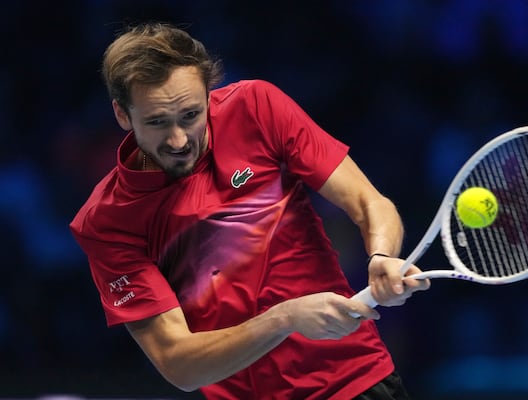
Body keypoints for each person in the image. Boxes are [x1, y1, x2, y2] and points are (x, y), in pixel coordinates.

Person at [69, 22, 430, 399]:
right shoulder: (107, 221)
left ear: (208, 94)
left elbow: (369, 201)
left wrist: (381, 255)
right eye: (157, 122)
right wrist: (285, 318)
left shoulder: (256, 108)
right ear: (122, 115)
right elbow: (178, 363)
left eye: (191, 115)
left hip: (354, 381)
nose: (178, 139)